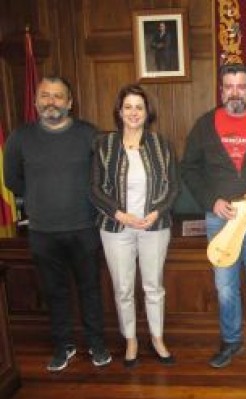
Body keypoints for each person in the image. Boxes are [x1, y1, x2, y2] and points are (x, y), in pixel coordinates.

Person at [3, 75, 111, 371]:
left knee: (90, 289)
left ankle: (96, 344)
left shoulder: (89, 134)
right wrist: (43, 199)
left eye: (58, 96)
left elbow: (103, 176)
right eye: (45, 95)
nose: (51, 101)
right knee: (54, 291)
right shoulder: (19, 138)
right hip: (42, 232)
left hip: (84, 228)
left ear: (70, 103)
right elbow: (13, 180)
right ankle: (63, 346)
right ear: (37, 101)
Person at [181, 63, 246, 370]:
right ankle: (230, 341)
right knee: (225, 284)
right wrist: (210, 200)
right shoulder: (204, 125)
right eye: (229, 86)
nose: (235, 92)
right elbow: (189, 168)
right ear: (221, 89)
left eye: (241, 86)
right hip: (220, 218)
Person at [90, 84, 179, 368]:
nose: (133, 112)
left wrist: (155, 212)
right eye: (127, 107)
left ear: (147, 112)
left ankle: (157, 337)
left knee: (154, 287)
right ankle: (131, 339)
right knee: (123, 288)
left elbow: (173, 186)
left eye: (139, 107)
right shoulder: (104, 144)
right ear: (119, 111)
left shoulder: (160, 144)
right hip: (116, 228)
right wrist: (120, 214)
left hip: (154, 225)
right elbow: (93, 189)